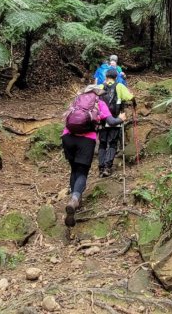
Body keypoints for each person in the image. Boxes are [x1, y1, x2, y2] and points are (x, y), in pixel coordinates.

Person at [61, 84, 126, 227]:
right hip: (86, 140)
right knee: (82, 172)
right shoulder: (99, 103)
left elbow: (67, 118)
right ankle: (75, 198)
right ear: (98, 93)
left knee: (74, 170)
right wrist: (121, 118)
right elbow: (111, 121)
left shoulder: (77, 100)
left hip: (68, 137)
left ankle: (75, 198)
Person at [98, 68, 136, 177]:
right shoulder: (119, 86)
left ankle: (101, 167)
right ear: (116, 77)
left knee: (102, 143)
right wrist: (134, 101)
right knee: (113, 143)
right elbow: (130, 97)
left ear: (106, 77)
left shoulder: (100, 87)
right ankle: (107, 167)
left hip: (102, 119)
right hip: (116, 119)